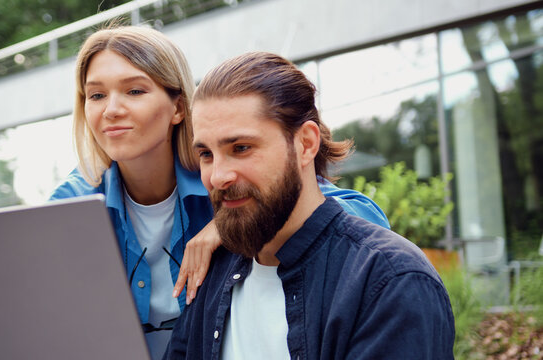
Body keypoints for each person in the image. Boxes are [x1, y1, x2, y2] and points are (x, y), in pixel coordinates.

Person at [49, 26, 389, 359]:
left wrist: (220, 225)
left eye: (134, 91)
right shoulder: (71, 204)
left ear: (179, 108)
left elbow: (360, 221)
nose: (111, 110)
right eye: (96, 95)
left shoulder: (224, 179)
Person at [165, 52, 455, 359]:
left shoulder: (390, 281)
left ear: (305, 144)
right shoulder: (211, 275)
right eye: (206, 155)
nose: (218, 177)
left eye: (241, 148)